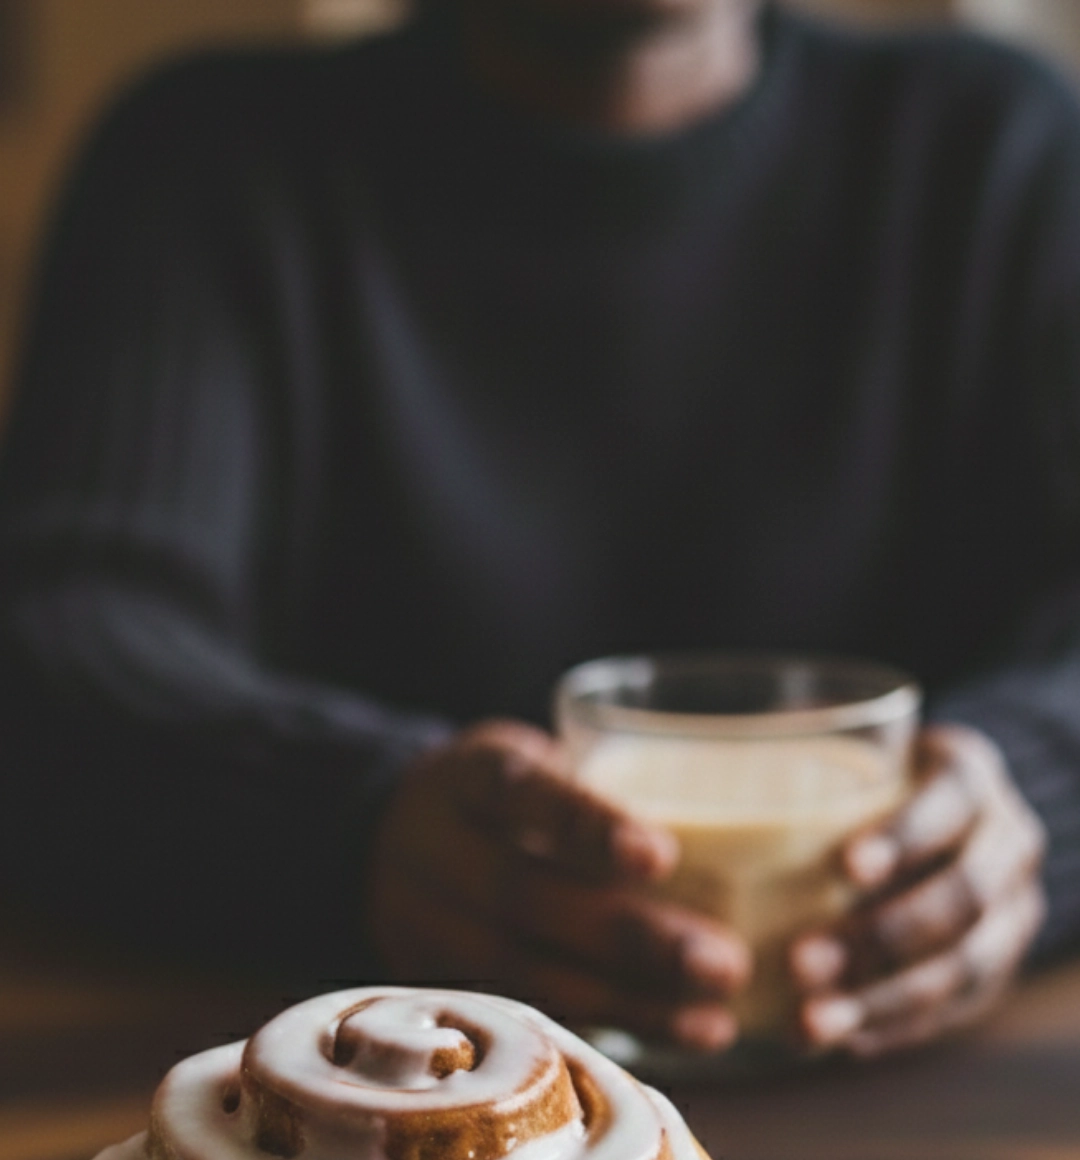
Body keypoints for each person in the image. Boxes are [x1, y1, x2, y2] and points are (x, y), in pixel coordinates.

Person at [0, 0, 1067, 1060]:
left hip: (930, 1121)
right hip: (358, 1136)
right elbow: (61, 657)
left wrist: (1028, 809)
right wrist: (357, 826)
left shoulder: (995, 149)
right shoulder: (210, 160)